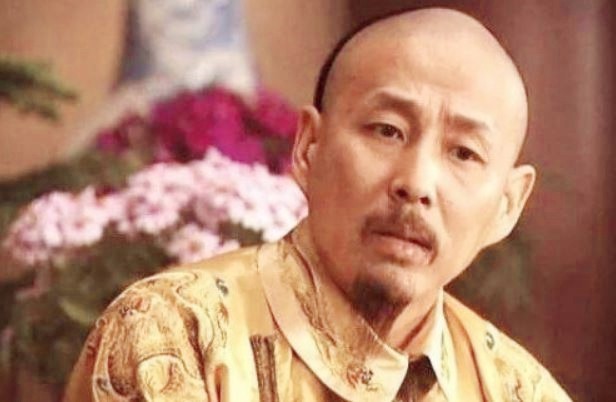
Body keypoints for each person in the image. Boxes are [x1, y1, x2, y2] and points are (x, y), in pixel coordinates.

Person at [64, 8, 572, 402]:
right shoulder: (173, 335)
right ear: (308, 147)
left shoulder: (520, 391)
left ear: (507, 206)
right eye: (387, 130)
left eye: (463, 153)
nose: (416, 182)